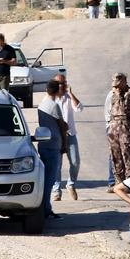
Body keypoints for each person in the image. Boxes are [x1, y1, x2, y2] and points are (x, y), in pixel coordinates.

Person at [35, 79, 68, 219]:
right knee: (50, 180)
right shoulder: (54, 106)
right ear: (57, 90)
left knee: (45, 179)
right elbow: (61, 126)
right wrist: (64, 144)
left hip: (44, 144)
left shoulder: (42, 104)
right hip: (54, 145)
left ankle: (44, 207)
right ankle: (45, 209)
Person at [51, 74, 83, 202]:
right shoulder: (51, 99)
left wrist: (71, 94)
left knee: (75, 162)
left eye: (63, 83)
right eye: (59, 84)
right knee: (57, 165)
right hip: (57, 136)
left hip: (70, 134)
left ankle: (71, 184)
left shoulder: (68, 97)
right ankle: (56, 190)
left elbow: (79, 108)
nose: (61, 86)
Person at [106, 72, 130, 185]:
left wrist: (119, 94)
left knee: (126, 153)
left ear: (124, 81)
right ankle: (118, 181)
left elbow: (124, 109)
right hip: (113, 125)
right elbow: (109, 109)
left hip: (124, 125)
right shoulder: (113, 93)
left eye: (118, 84)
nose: (116, 87)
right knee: (115, 154)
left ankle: (129, 182)